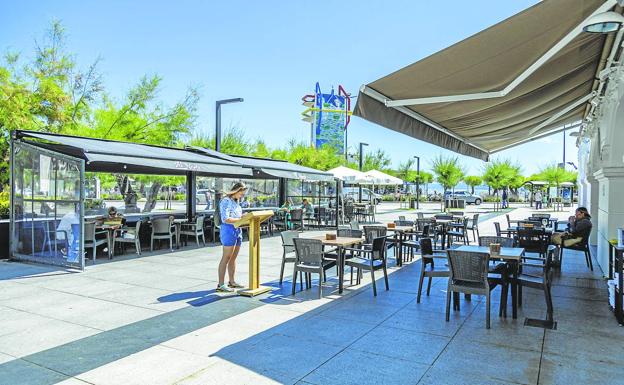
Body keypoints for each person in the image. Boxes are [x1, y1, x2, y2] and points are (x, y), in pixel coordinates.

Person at [216, 182, 248, 292]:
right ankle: (221, 284)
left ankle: (232, 282)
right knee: (226, 257)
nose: (242, 196)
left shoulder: (236, 202)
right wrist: (241, 219)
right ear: (236, 191)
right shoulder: (226, 201)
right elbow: (225, 218)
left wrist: (243, 217)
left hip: (237, 230)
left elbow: (236, 216)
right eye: (241, 194)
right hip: (228, 230)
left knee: (233, 258)